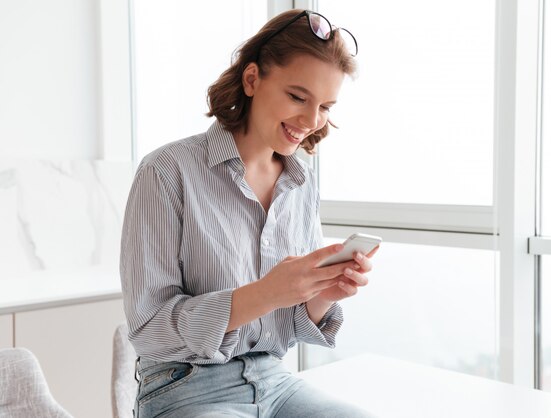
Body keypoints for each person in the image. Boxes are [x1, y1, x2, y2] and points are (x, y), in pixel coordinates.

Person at [120, 8, 377, 418]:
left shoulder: (301, 183)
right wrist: (266, 293)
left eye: (325, 106)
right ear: (253, 78)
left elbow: (285, 324)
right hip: (183, 387)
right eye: (297, 97)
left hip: (273, 380)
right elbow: (149, 328)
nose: (311, 121)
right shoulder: (166, 172)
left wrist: (322, 295)